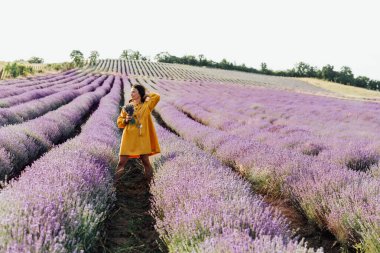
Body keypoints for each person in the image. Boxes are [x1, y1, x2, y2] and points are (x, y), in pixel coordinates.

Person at [115, 84, 161, 187]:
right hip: (129, 137)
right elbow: (119, 122)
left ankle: (150, 186)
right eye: (131, 92)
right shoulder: (127, 107)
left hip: (142, 138)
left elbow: (157, 96)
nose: (131, 93)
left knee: (146, 162)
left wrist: (146, 95)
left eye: (134, 91)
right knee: (121, 162)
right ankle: (115, 185)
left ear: (139, 93)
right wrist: (125, 120)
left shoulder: (147, 105)